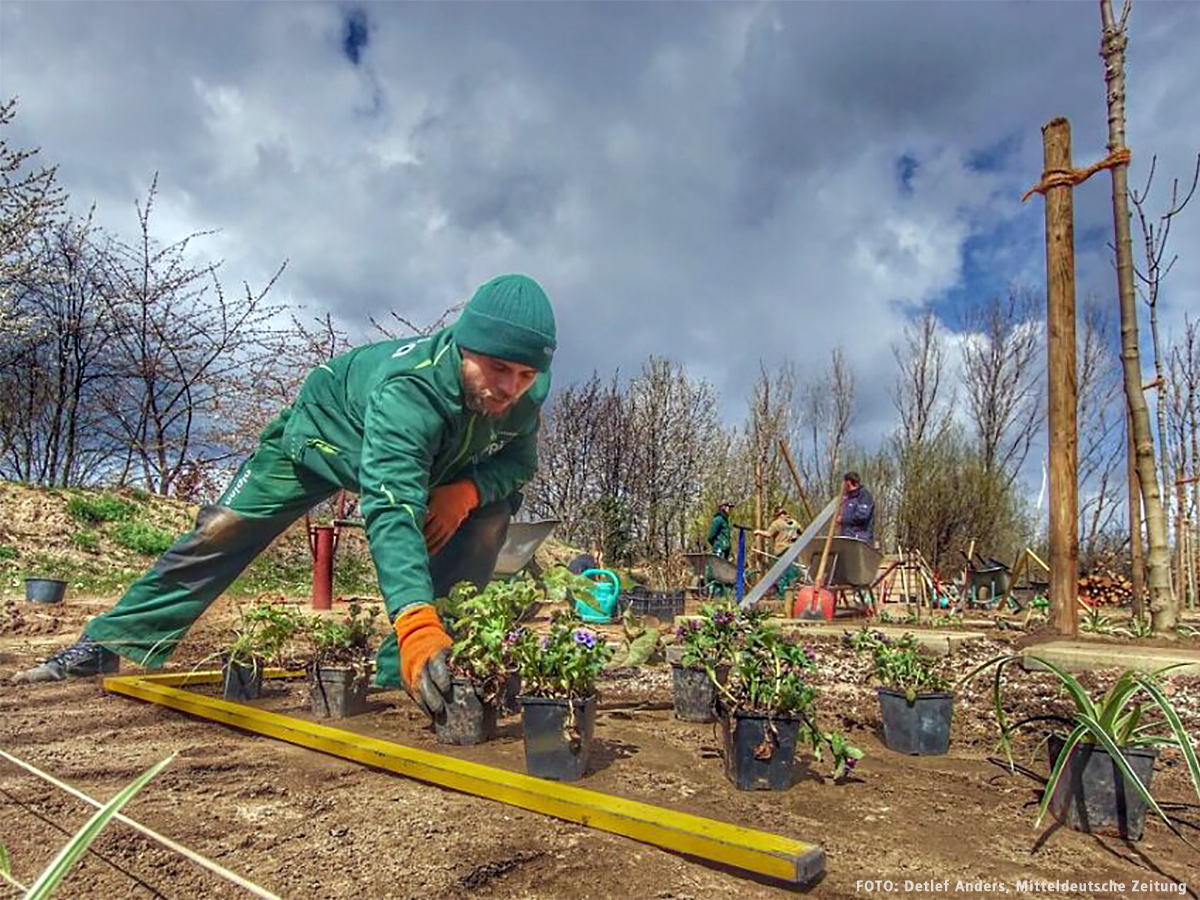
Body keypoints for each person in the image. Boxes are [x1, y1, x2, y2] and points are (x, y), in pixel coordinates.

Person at [11, 274, 557, 721]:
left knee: (490, 516)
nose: (510, 387)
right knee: (223, 530)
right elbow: (390, 505)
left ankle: (406, 669)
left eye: (526, 373)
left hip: (437, 465)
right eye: (498, 368)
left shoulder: (523, 398)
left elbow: (518, 464)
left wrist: (464, 491)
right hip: (322, 438)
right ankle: (109, 643)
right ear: (464, 346)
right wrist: (413, 616)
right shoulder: (409, 390)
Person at [755, 505, 802, 600]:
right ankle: (793, 596)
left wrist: (758, 532)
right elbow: (801, 532)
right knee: (792, 574)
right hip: (794, 551)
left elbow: (768, 534)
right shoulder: (794, 523)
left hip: (782, 551)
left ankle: (782, 597)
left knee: (781, 575)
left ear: (777, 514)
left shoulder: (777, 523)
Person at [838, 471, 875, 544]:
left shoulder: (864, 496)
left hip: (859, 538)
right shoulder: (848, 498)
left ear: (848, 483)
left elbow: (862, 516)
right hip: (847, 537)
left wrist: (843, 519)